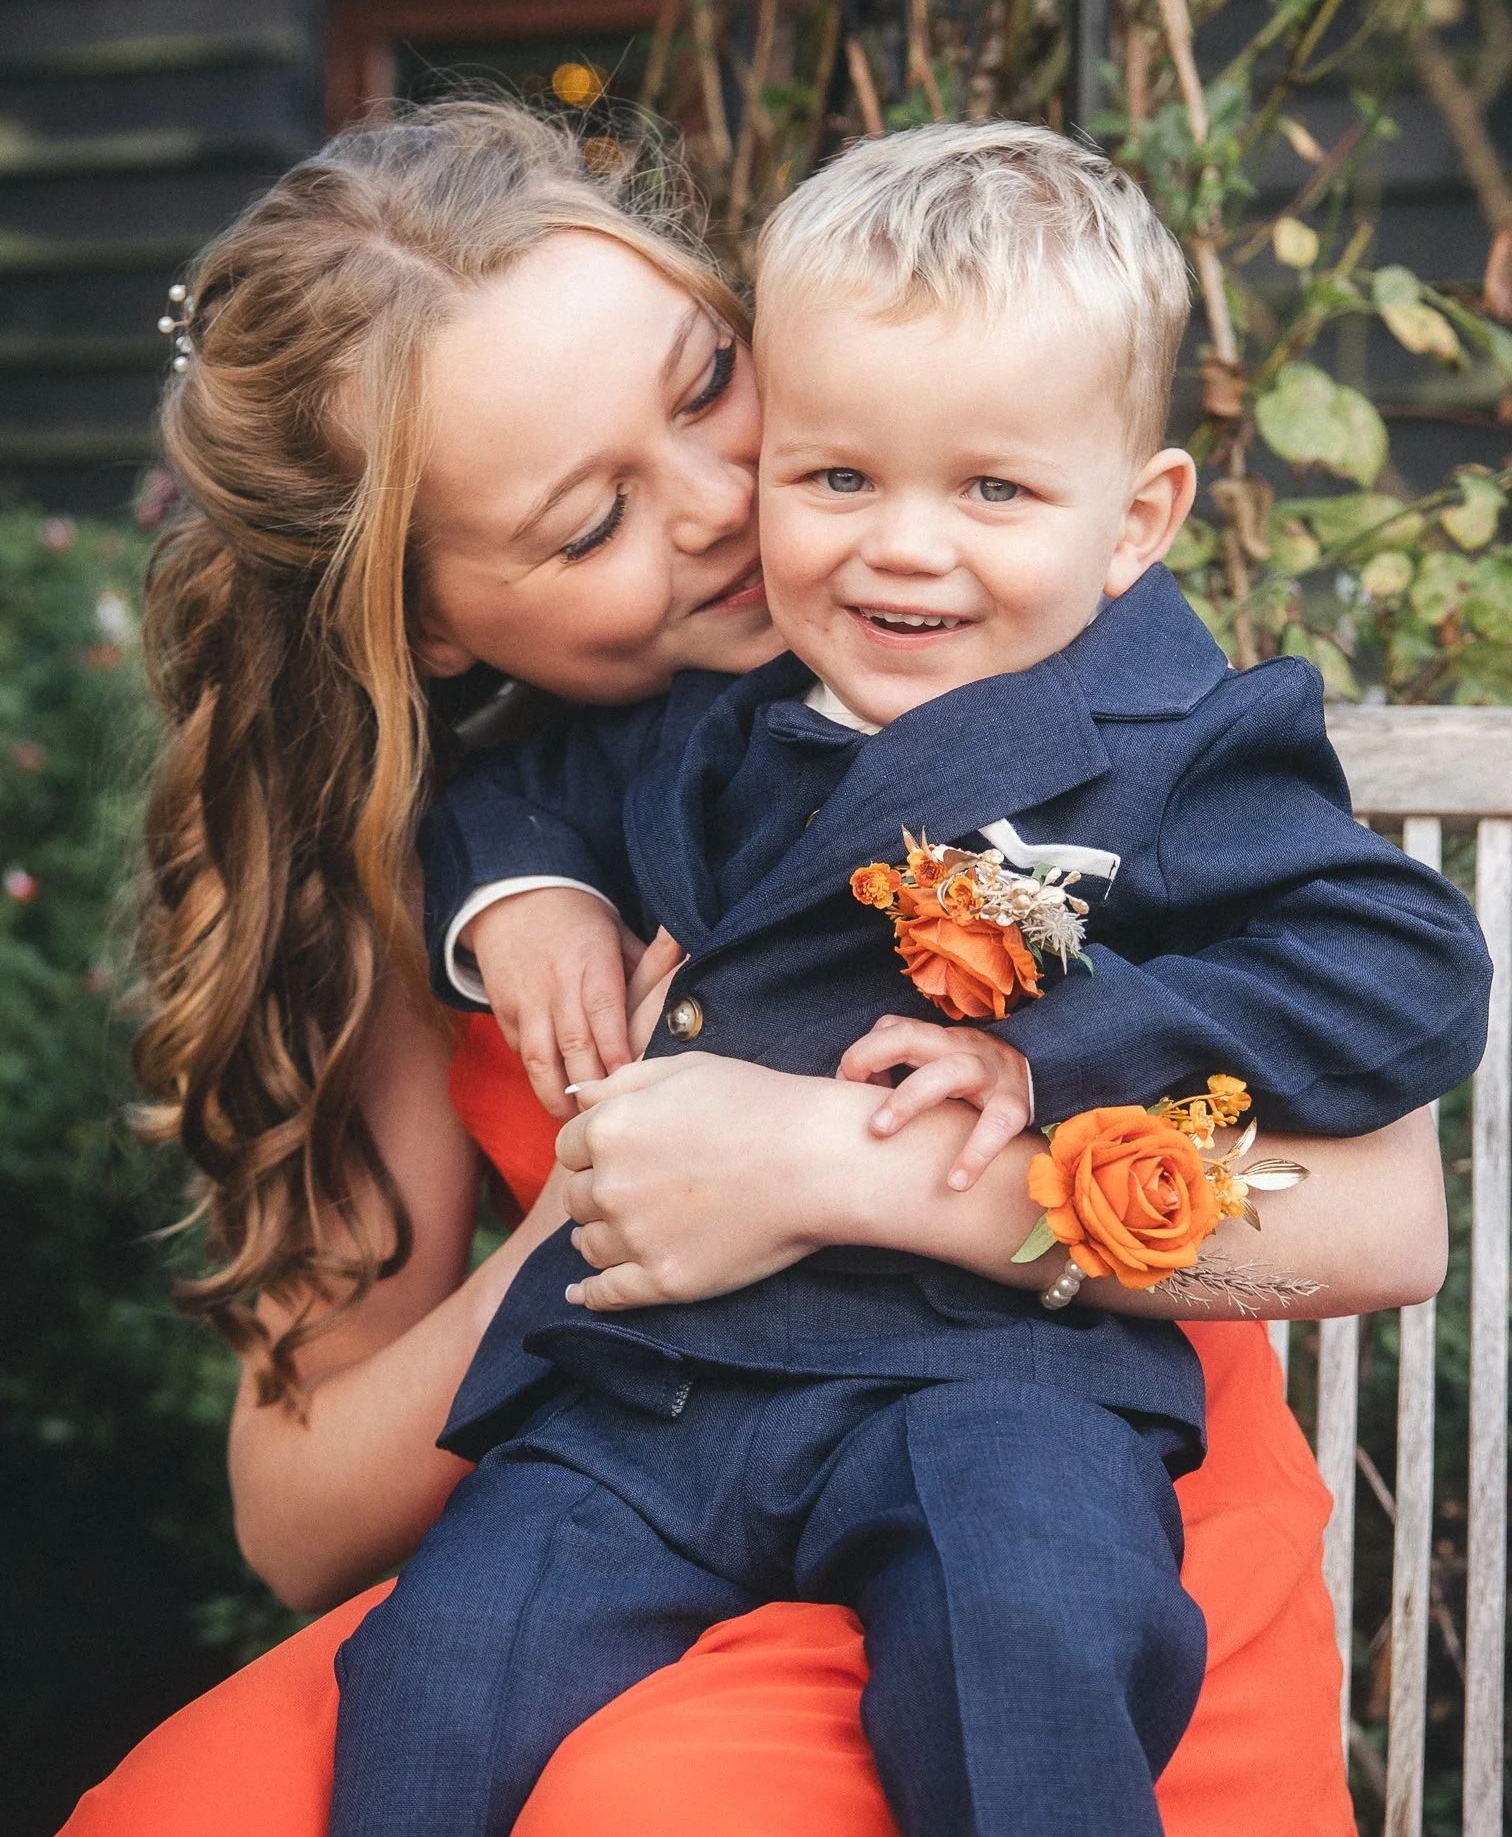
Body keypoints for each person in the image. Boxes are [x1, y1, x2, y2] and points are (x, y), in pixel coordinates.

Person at [63, 101, 1449, 1837]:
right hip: (655, 1470)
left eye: (711, 383)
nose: (736, 509)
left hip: (1053, 1472)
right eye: (592, 526)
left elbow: (1387, 1221)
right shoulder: (468, 854)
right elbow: (294, 1516)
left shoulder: (1057, 680)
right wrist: (603, 1187)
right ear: (424, 618)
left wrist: (822, 1167)